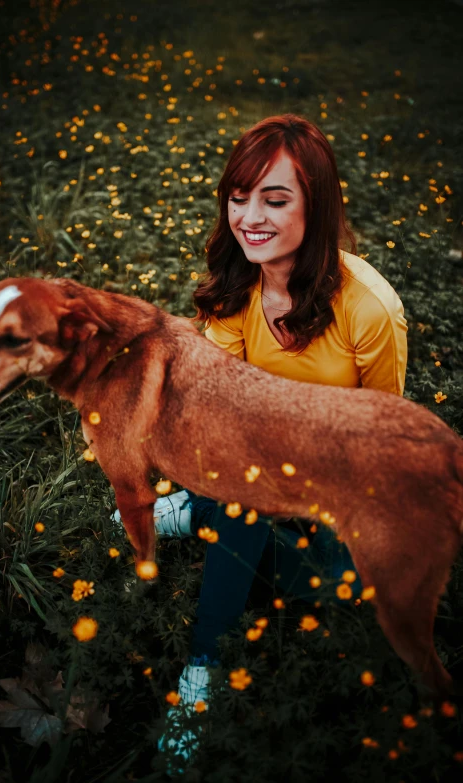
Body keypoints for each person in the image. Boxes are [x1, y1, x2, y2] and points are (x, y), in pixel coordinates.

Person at [114, 113, 408, 773]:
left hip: (336, 515)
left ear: (318, 207)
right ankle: (202, 657)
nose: (251, 215)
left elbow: (378, 448)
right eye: (240, 196)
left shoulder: (370, 310)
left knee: (257, 511)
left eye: (276, 199)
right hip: (251, 476)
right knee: (244, 492)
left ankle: (194, 547)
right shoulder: (235, 286)